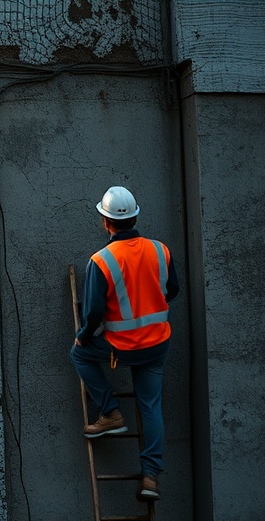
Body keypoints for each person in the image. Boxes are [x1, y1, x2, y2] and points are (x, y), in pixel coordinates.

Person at [71, 186, 179, 502]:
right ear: (135, 216)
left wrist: (85, 335)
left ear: (106, 222)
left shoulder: (102, 261)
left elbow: (92, 313)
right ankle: (150, 478)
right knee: (151, 407)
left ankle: (111, 413)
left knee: (79, 355)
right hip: (158, 344)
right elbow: (171, 290)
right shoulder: (161, 250)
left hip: (122, 346)